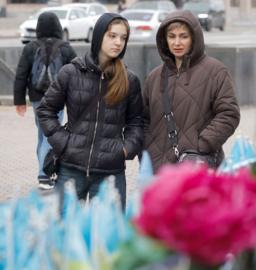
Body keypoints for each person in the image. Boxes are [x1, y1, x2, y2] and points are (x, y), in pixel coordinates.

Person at [37, 13, 143, 210]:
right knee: (65, 233)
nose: (118, 42)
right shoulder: (71, 72)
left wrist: (125, 149)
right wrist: (64, 143)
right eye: (112, 36)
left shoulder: (130, 80)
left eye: (123, 38)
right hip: (70, 169)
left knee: (108, 238)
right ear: (99, 36)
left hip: (111, 173)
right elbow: (46, 110)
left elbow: (137, 122)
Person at [142, 10, 240, 172]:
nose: (177, 42)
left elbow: (229, 113)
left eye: (183, 36)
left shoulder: (216, 71)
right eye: (172, 36)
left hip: (196, 167)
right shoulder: (154, 77)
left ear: (194, 38)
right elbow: (144, 120)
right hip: (160, 169)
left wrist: (203, 144)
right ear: (165, 40)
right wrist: (148, 149)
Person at [13, 12, 76, 190]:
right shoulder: (65, 47)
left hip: (36, 99)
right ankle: (45, 175)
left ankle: (45, 172)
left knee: (43, 135)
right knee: (51, 136)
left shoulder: (30, 48)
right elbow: (77, 73)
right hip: (58, 99)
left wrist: (19, 101)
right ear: (57, 26)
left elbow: (21, 75)